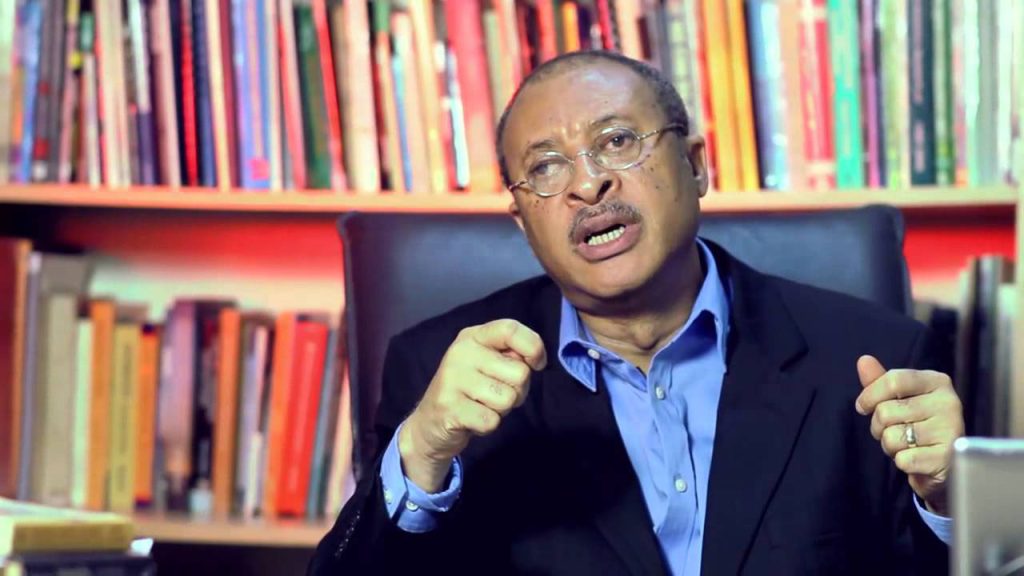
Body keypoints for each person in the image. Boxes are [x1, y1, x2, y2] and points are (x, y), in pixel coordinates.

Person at [309, 51, 963, 575]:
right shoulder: (436, 373)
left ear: (696, 166)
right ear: (523, 221)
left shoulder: (871, 359)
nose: (587, 183)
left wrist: (948, 502)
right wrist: (422, 452)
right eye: (546, 167)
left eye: (617, 141)